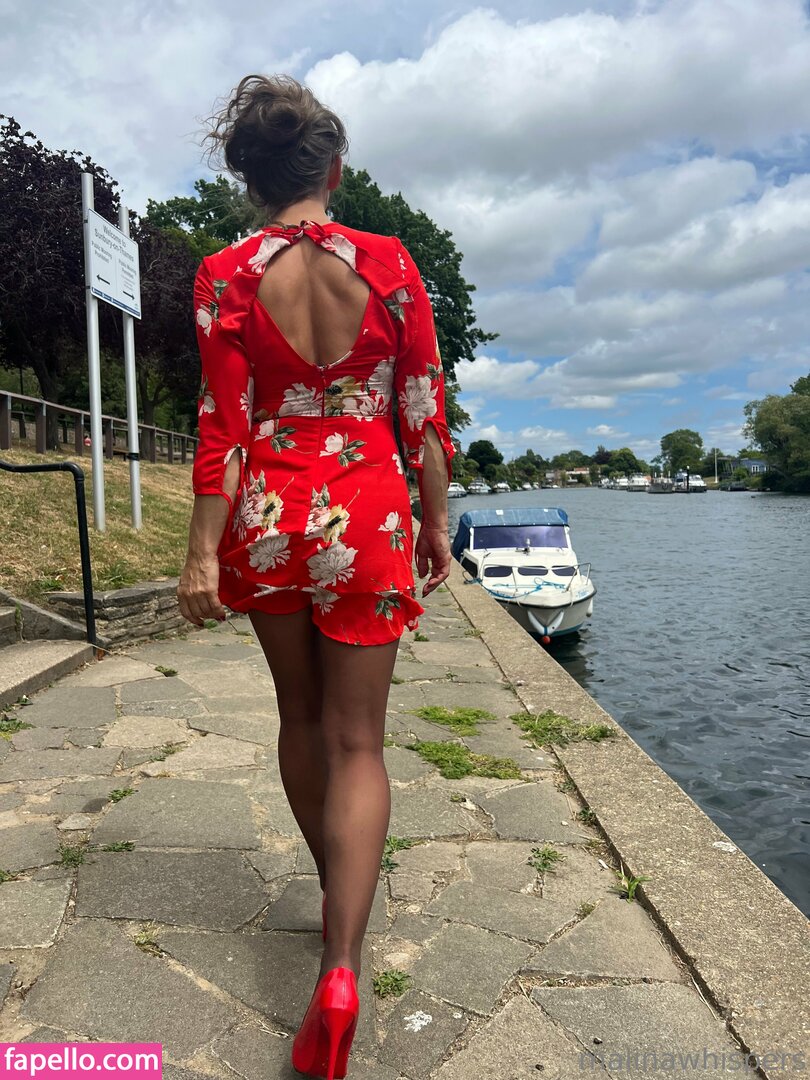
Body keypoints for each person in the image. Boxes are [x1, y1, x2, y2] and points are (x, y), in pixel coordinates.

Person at [176, 73, 453, 1080]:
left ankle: (336, 895)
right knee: (359, 740)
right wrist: (435, 522)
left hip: (271, 510)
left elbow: (223, 424)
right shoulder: (388, 263)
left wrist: (202, 551)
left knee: (300, 719)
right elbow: (421, 409)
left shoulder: (223, 276)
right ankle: (341, 965)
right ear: (333, 170)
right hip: (368, 506)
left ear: (250, 181)